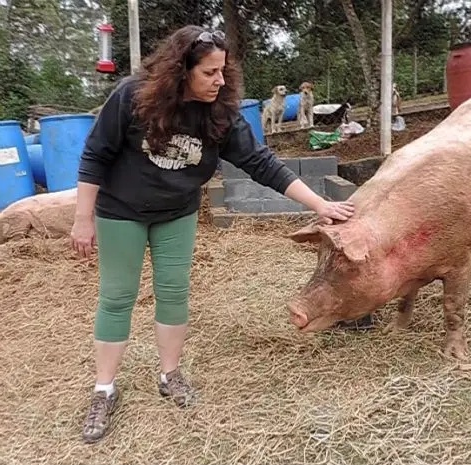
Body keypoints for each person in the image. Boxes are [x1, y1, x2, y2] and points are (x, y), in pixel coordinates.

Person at [71, 25, 355, 444]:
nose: (219, 81)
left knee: (173, 292)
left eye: (223, 71)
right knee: (117, 296)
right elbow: (95, 154)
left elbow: (261, 163)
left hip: (176, 213)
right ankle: (104, 389)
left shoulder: (220, 113)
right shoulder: (132, 96)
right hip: (121, 211)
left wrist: (319, 205)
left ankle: (169, 375)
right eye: (209, 73)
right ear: (180, 70)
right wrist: (82, 218)